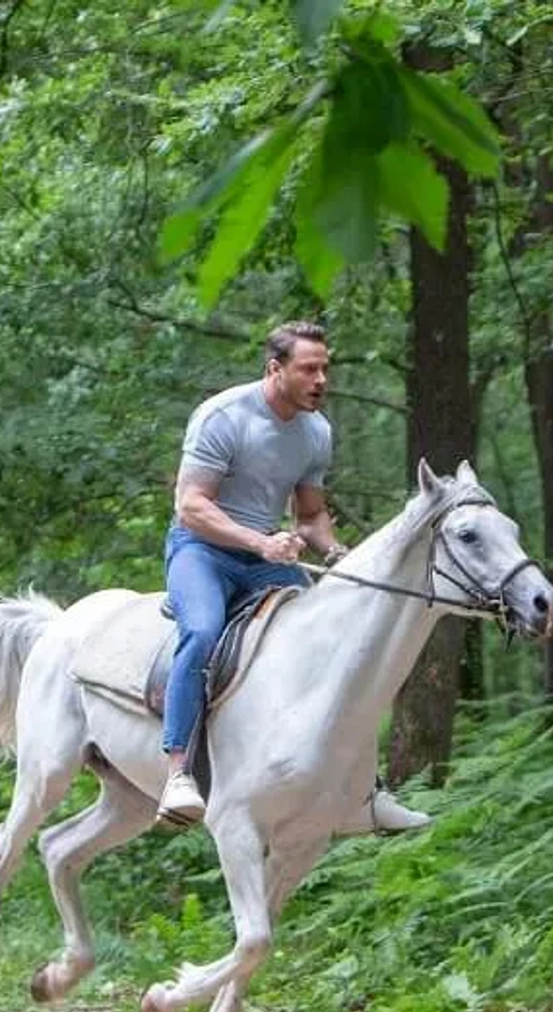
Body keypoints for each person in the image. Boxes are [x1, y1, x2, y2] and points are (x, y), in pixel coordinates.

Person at [157, 321, 429, 833]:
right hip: (202, 551)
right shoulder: (223, 416)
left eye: (325, 368)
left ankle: (365, 792)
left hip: (268, 556)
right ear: (275, 369)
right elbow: (191, 506)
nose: (321, 379)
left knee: (342, 647)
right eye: (310, 368)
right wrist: (262, 542)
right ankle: (178, 773)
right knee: (201, 631)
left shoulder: (316, 432)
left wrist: (334, 550)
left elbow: (310, 516)